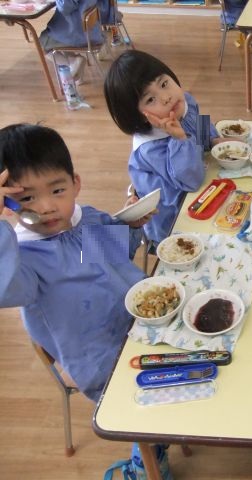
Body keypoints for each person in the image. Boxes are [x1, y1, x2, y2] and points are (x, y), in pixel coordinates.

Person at [0, 123, 151, 403]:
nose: (47, 207)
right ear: (9, 205)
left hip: (145, 319)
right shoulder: (23, 260)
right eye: (27, 198)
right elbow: (4, 290)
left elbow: (115, 258)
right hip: (101, 359)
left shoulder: (86, 219)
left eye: (57, 190)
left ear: (75, 184)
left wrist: (131, 224)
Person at [104, 50, 220, 248]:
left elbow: (198, 121)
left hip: (203, 191)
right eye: (150, 100)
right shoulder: (150, 149)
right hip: (175, 223)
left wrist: (213, 139)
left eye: (164, 84)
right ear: (137, 116)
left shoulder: (183, 102)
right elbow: (191, 182)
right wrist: (180, 139)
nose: (166, 98)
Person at [39, 0, 103, 82]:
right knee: (58, 36)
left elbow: (64, 7)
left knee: (40, 44)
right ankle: (78, 73)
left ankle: (72, 62)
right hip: (91, 30)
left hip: (77, 32)